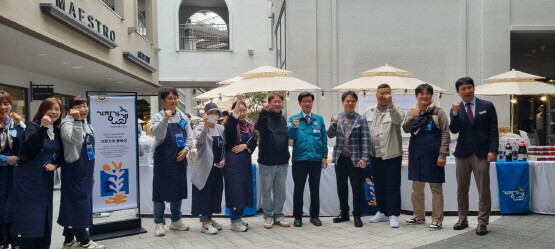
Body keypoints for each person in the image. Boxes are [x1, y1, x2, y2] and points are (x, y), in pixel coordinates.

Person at [12, 97, 63, 249]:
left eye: (57, 109)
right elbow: (29, 149)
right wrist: (43, 127)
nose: (54, 112)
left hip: (45, 181)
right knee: (29, 218)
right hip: (27, 181)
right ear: (42, 110)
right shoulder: (33, 126)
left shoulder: (58, 130)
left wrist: (55, 164)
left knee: (44, 217)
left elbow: (61, 154)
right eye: (51, 108)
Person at [449, 77, 498, 236]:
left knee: (483, 189)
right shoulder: (455, 108)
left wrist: (493, 150)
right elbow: (454, 130)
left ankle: (482, 222)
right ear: (458, 92)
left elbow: (493, 130)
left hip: (482, 153)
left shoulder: (487, 106)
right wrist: (455, 114)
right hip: (462, 153)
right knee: (461, 189)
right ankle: (462, 219)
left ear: (474, 88)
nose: (467, 91)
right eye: (463, 89)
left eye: (469, 87)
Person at [57, 96, 105, 248]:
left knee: (76, 205)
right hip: (73, 172)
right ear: (70, 110)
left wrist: (91, 174)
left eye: (85, 106)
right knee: (78, 206)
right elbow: (76, 141)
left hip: (85, 172)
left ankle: (69, 239)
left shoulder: (87, 125)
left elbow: (91, 152)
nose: (83, 110)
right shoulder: (66, 124)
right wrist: (77, 120)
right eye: (78, 107)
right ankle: (84, 241)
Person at [402, 84, 450, 231]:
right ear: (416, 96)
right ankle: (419, 215)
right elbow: (405, 129)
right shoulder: (411, 111)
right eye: (421, 94)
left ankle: (437, 219)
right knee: (416, 188)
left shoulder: (438, 112)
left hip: (434, 155)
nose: (424, 96)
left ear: (431, 96)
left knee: (436, 188)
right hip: (416, 154)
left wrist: (442, 154)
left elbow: (445, 133)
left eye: (427, 94)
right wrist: (410, 119)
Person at [151, 87, 192, 236]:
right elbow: (158, 135)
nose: (173, 101)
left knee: (178, 190)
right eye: (170, 98)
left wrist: (186, 149)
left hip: (179, 159)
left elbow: (189, 137)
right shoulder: (157, 117)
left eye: (175, 98)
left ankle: (176, 221)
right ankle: (159, 223)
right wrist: (165, 119)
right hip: (163, 159)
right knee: (160, 192)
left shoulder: (183, 117)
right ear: (163, 101)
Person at [363, 84, 404, 228]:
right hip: (374, 154)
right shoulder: (369, 111)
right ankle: (381, 211)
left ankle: (393, 214)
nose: (384, 96)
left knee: (392, 185)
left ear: (391, 95)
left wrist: (391, 104)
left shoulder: (396, 110)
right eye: (381, 93)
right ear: (376, 95)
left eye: (387, 93)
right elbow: (364, 132)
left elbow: (398, 120)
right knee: (378, 184)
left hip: (392, 154)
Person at [327, 91, 369, 228]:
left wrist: (364, 158)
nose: (349, 103)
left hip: (355, 159)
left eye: (352, 101)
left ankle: (357, 214)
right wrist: (333, 123)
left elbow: (365, 140)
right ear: (343, 102)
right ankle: (344, 213)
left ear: (355, 103)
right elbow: (330, 135)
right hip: (340, 158)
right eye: (347, 101)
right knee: (341, 187)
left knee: (356, 187)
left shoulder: (361, 119)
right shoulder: (336, 117)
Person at [287, 92, 328, 228]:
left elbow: (324, 139)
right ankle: (297, 217)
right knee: (298, 189)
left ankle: (314, 216)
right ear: (300, 103)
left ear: (312, 103)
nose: (307, 103)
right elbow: (289, 136)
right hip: (299, 160)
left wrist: (324, 157)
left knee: (314, 188)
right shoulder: (294, 119)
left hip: (315, 160)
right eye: (304, 101)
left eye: (309, 101)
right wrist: (294, 127)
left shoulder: (319, 119)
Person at [255, 93, 291, 229]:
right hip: (266, 162)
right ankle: (268, 216)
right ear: (269, 103)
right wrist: (263, 112)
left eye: (279, 101)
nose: (277, 104)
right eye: (274, 101)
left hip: (282, 162)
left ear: (282, 103)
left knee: (280, 192)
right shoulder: (264, 117)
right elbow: (260, 127)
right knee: (266, 190)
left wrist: (287, 157)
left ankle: (278, 215)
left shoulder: (283, 119)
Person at [223, 94, 257, 232]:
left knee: (243, 188)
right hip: (232, 162)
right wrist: (238, 101)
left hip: (244, 161)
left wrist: (245, 146)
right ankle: (234, 220)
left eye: (244, 110)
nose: (242, 113)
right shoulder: (231, 125)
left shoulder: (250, 126)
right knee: (235, 190)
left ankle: (239, 216)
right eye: (239, 110)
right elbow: (234, 118)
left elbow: (254, 141)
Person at [191, 103, 225, 234]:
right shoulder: (199, 128)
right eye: (211, 113)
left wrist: (223, 159)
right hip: (204, 168)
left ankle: (210, 219)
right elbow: (200, 143)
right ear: (205, 114)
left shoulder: (221, 129)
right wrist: (205, 125)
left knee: (214, 194)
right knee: (204, 195)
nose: (213, 116)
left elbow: (224, 146)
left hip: (217, 168)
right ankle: (204, 223)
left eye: (216, 113)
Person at [0, 91, 25, 249]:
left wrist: (19, 126)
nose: (3, 107)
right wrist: (5, 160)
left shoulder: (13, 124)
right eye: (0, 104)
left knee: (12, 208)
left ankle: (12, 242)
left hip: (13, 175)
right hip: (2, 171)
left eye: (6, 103)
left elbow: (25, 145)